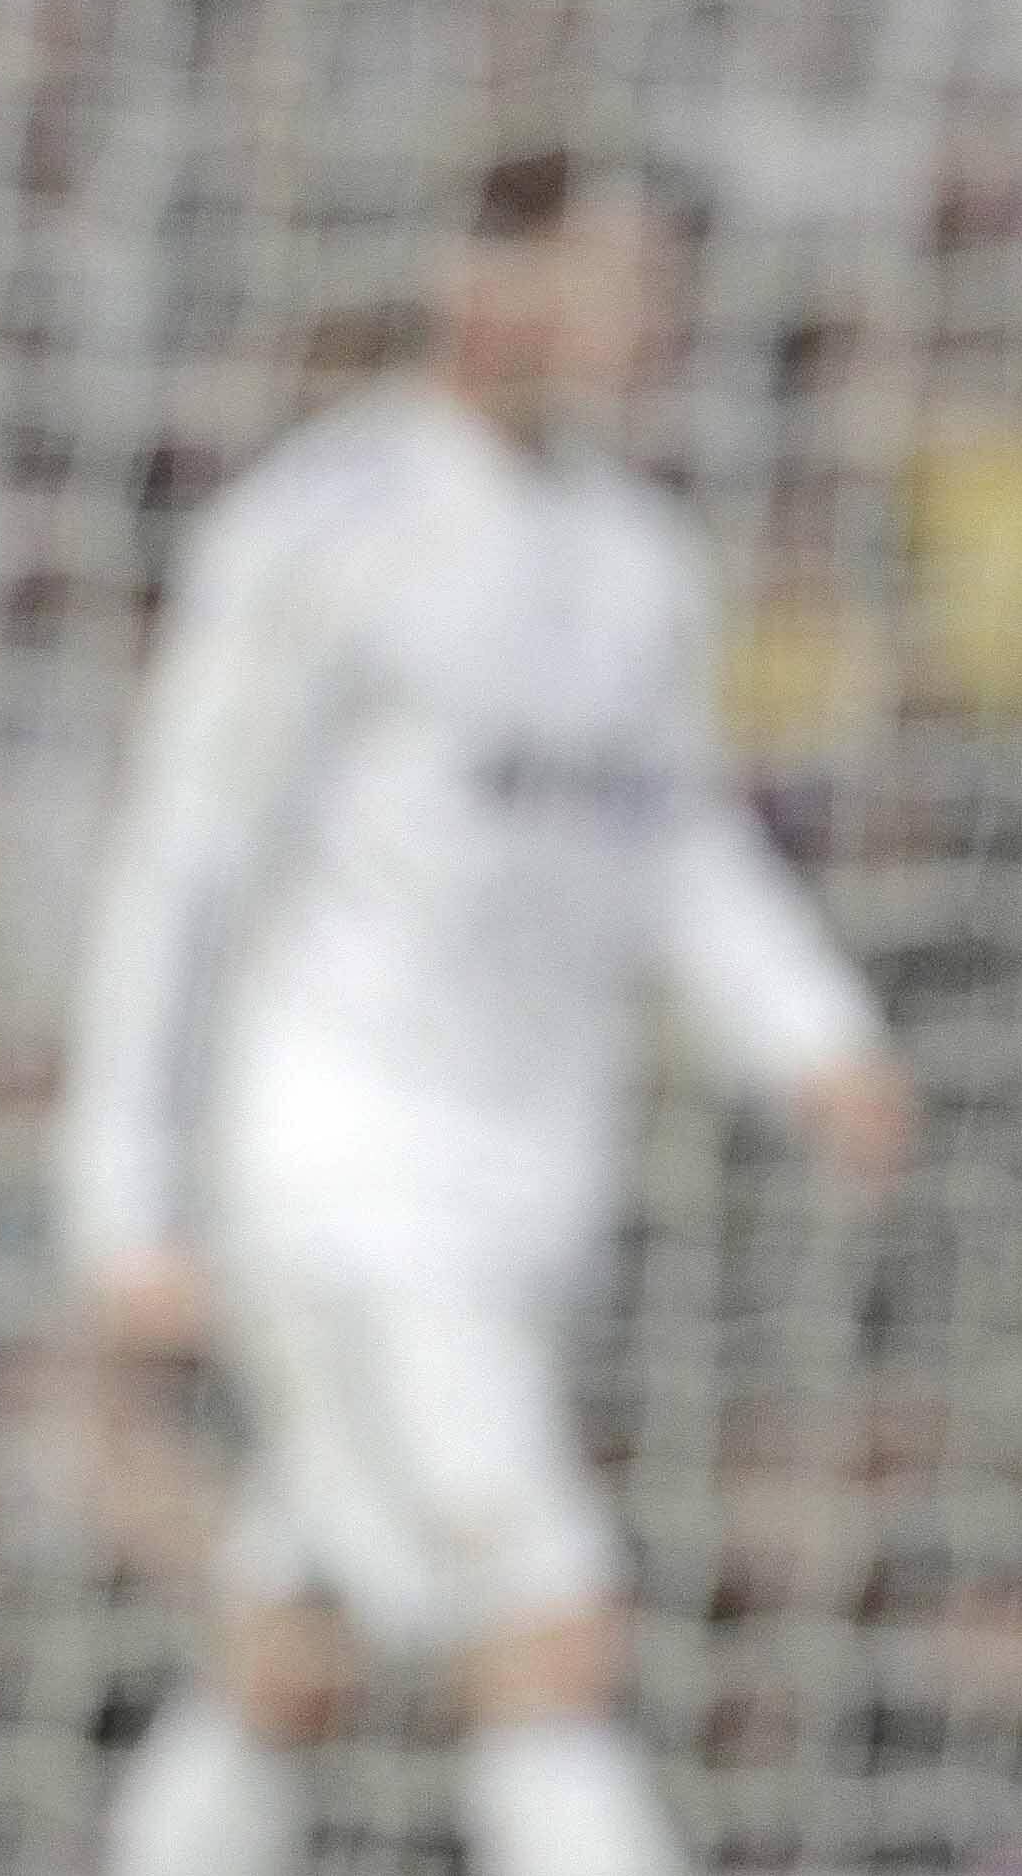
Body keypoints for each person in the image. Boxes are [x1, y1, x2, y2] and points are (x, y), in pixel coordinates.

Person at [57, 149, 916, 1876]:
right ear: (484, 280)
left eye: (658, 282)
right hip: (346, 1186)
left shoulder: (639, 559)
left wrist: (812, 1032)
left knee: (292, 1654)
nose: (647, 316)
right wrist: (123, 1199)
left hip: (532, 1190)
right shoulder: (322, 532)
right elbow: (183, 864)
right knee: (553, 1630)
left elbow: (673, 837)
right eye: (609, 275)